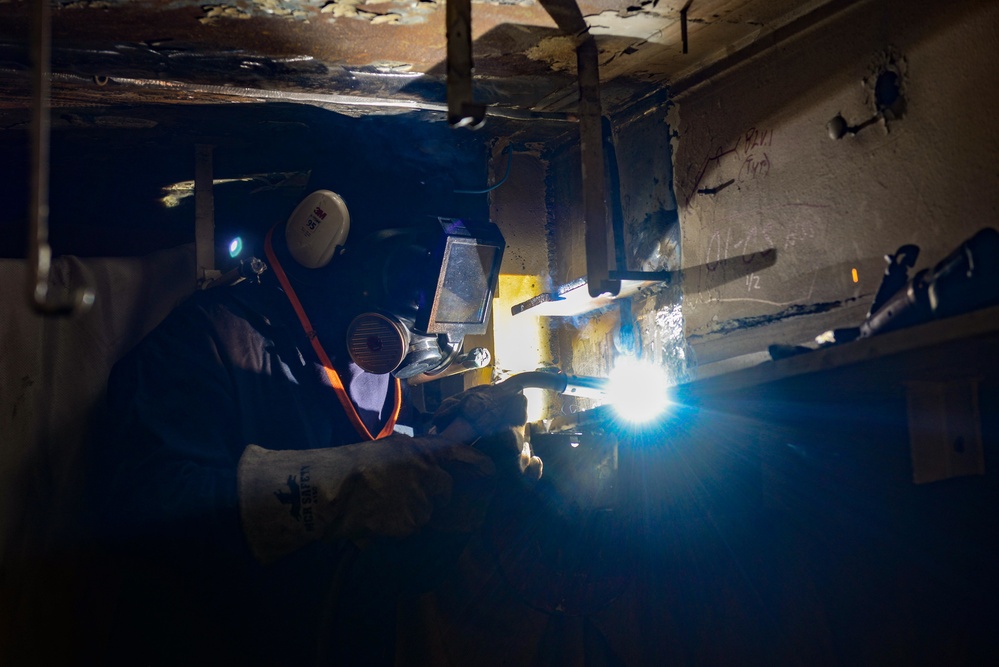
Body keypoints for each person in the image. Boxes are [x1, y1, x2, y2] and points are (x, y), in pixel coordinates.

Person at [92, 190, 541, 666]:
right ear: (333, 241)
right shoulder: (209, 339)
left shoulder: (381, 379)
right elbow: (144, 506)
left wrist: (456, 490)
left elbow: (385, 575)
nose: (430, 309)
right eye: (424, 275)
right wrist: (335, 488)